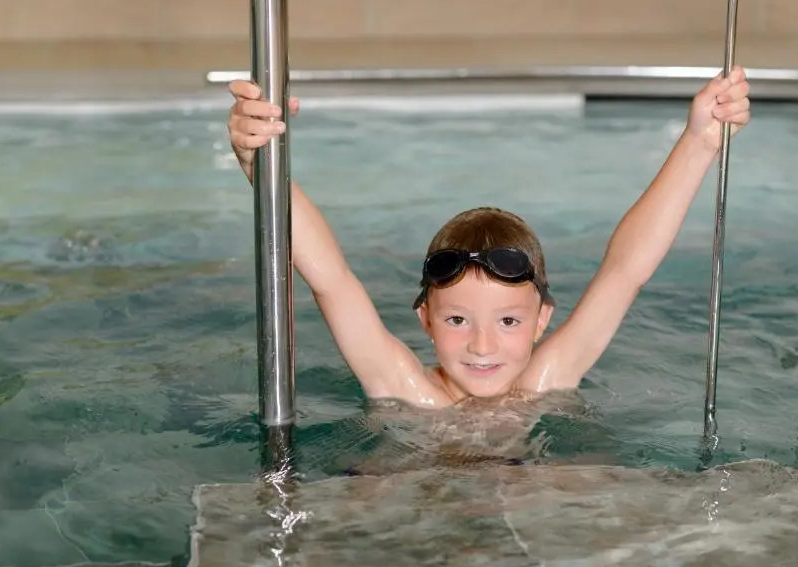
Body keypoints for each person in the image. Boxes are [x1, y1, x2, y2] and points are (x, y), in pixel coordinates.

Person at [227, 68, 750, 410]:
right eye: (457, 320)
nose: (482, 346)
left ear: (542, 320)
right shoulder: (407, 391)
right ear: (425, 319)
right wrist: (260, 166)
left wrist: (699, 143)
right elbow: (331, 281)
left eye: (508, 321)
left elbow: (625, 271)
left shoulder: (546, 380)